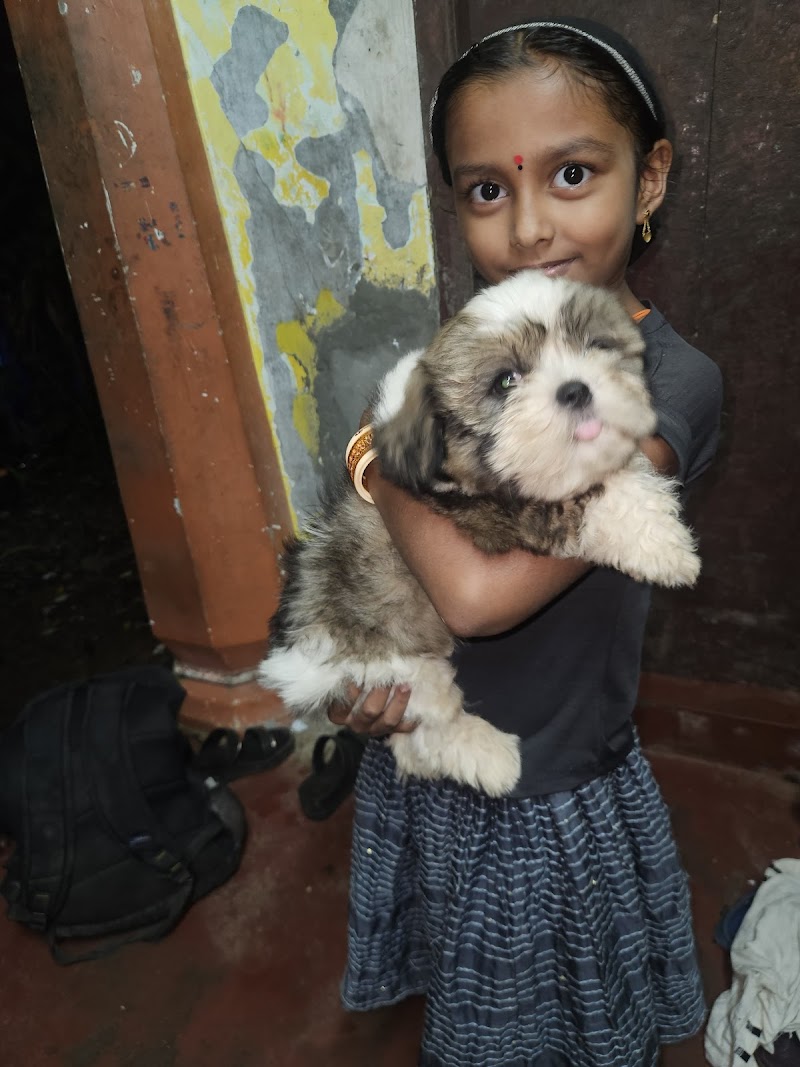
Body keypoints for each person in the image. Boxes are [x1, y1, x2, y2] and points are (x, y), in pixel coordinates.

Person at [329, 18, 724, 1067]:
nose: (530, 227)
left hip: (545, 784)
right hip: (433, 740)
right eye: (486, 190)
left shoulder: (664, 385)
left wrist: (373, 456)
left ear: (649, 179)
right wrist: (360, 672)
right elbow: (399, 572)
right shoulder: (473, 347)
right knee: (460, 960)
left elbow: (475, 594)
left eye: (573, 174)